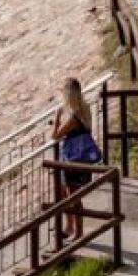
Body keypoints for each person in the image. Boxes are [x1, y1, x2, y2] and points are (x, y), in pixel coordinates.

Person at [48, 77, 100, 244]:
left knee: (73, 196)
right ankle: (70, 227)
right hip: (80, 158)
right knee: (68, 193)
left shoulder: (72, 117)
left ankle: (78, 232)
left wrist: (56, 118)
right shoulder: (85, 109)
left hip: (73, 159)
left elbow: (55, 136)